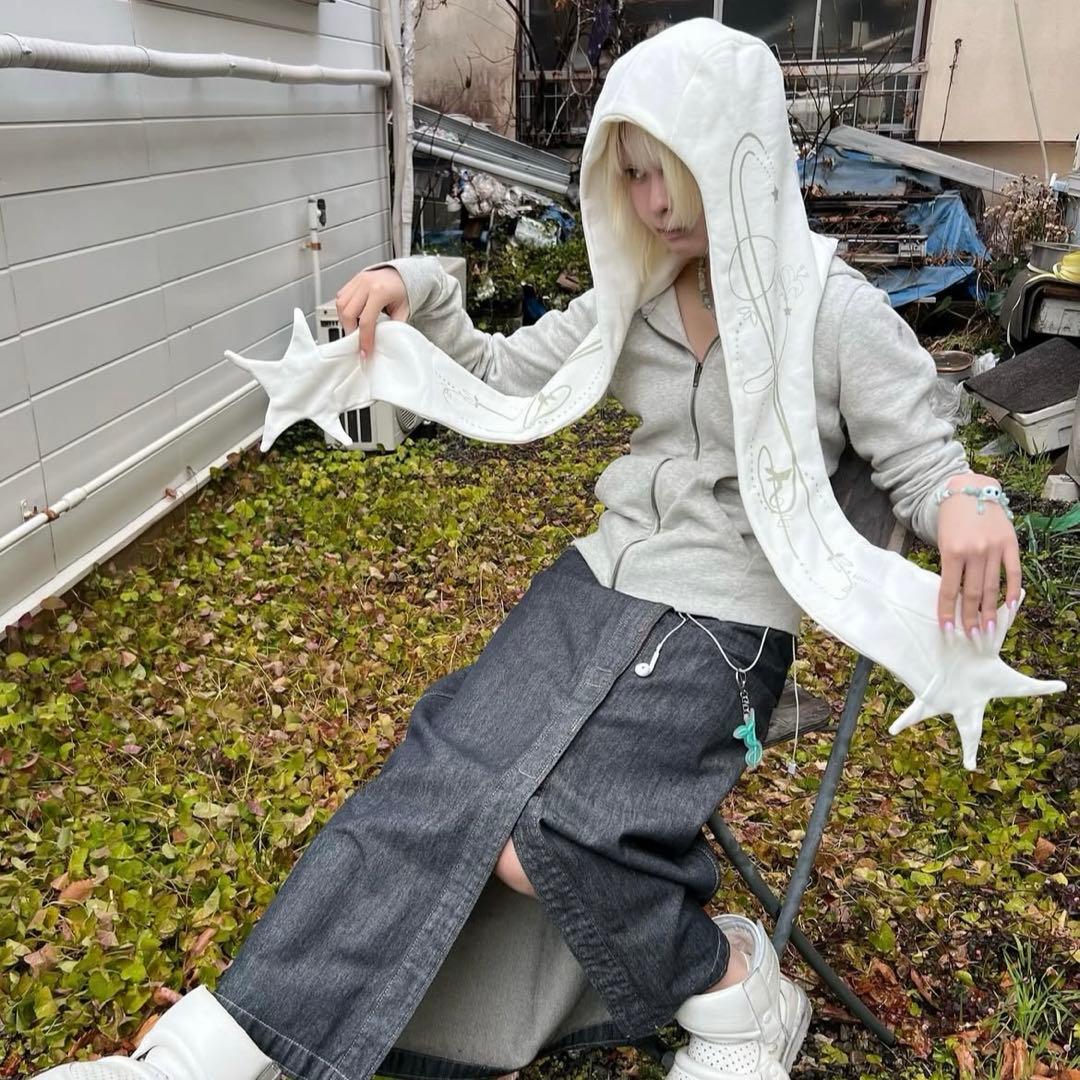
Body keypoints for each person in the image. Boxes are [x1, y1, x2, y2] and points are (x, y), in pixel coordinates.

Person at [39, 18, 1042, 1080]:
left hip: (725, 626)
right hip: (597, 584)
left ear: (736, 156)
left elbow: (927, 461)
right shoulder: (637, 296)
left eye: (673, 174)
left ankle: (736, 992)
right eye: (634, 176)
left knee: (551, 840)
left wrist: (972, 498)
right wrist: (419, 287)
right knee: (437, 776)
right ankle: (206, 1056)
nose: (654, 205)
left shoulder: (835, 314)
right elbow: (503, 372)